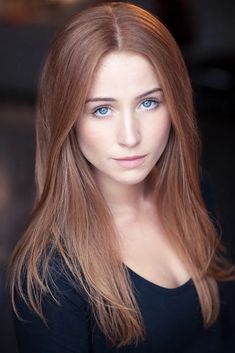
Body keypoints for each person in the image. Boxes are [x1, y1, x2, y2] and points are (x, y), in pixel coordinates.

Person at [9, 2, 235, 352]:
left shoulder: (195, 190)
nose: (130, 136)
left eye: (149, 103)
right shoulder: (50, 275)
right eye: (102, 109)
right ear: (66, 120)